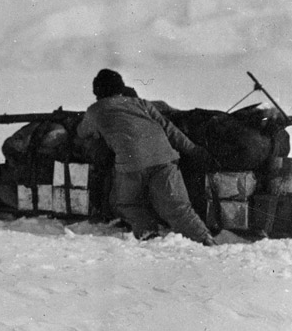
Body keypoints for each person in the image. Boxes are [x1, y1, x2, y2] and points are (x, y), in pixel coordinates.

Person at [76, 68, 219, 246]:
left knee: (127, 203)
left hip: (132, 164)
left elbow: (82, 132)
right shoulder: (142, 103)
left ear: (97, 92)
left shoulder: (95, 110)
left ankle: (148, 233)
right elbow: (170, 129)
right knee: (179, 208)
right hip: (165, 159)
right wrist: (193, 150)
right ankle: (206, 240)